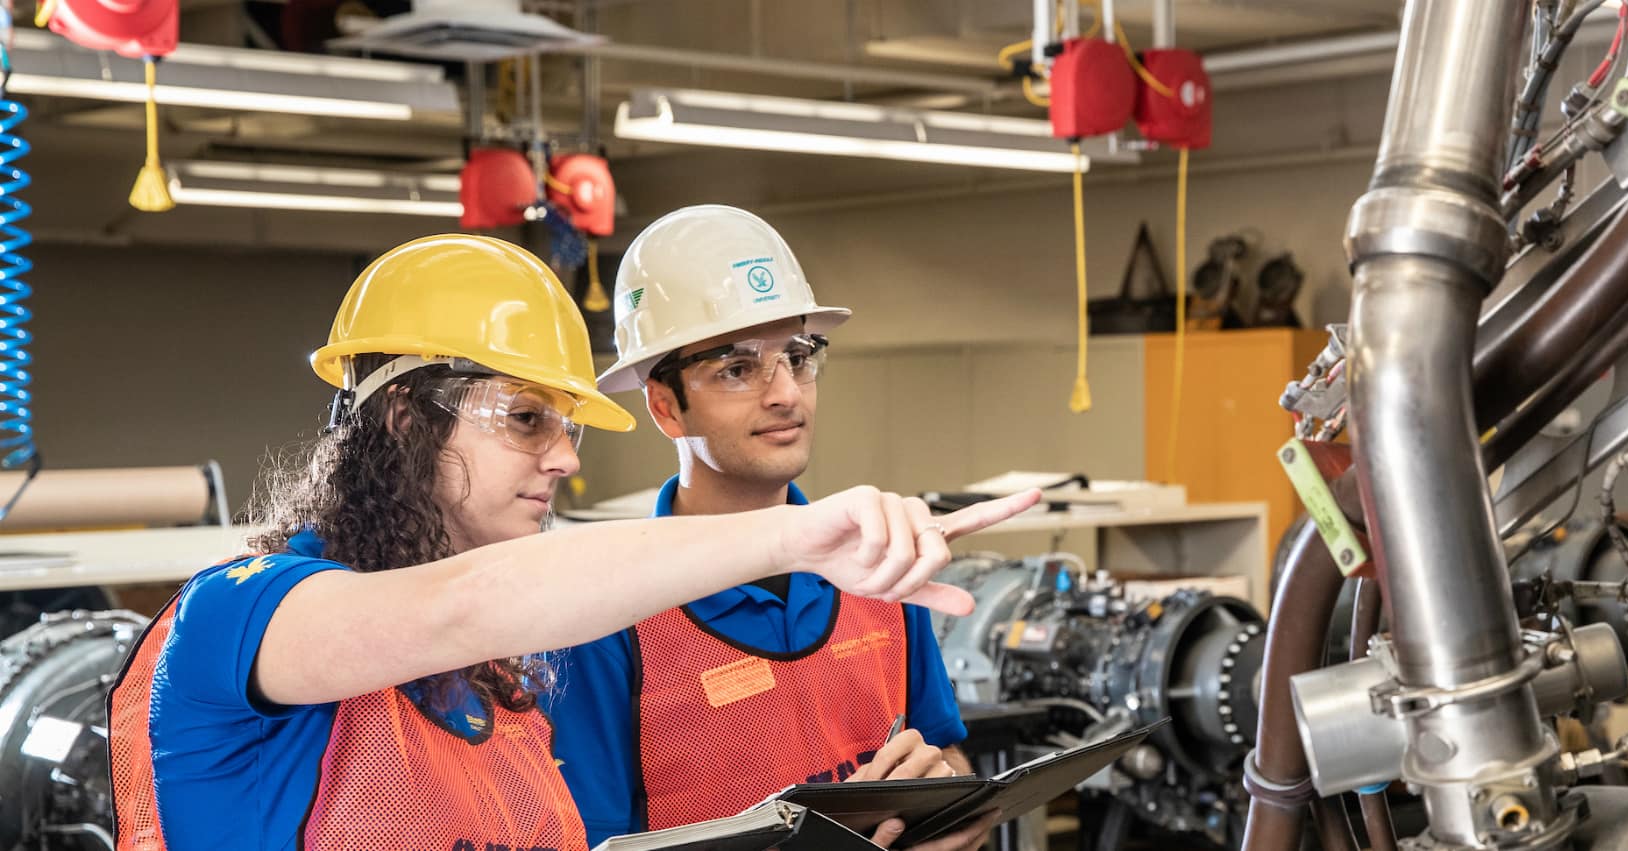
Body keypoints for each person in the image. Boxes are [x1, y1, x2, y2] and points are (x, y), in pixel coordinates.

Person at [107, 234, 1035, 851]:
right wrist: (797, 533)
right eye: (525, 419)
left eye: (570, 427)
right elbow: (466, 601)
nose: (562, 460)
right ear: (401, 416)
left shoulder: (499, 694)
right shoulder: (239, 616)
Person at [545, 206, 994, 850]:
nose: (785, 394)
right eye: (737, 368)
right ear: (667, 408)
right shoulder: (604, 621)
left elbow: (945, 755)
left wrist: (955, 806)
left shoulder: (879, 566)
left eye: (797, 356)